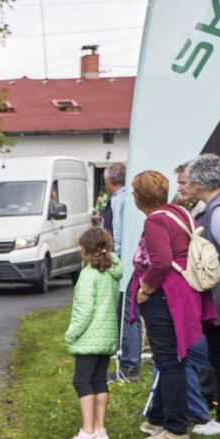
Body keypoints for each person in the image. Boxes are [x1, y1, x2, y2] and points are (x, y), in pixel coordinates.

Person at [128, 170, 216, 439]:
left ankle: (176, 429)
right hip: (184, 292)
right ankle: (157, 417)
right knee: (173, 359)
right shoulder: (178, 212)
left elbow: (161, 261)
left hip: (165, 295)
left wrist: (146, 290)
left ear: (140, 197)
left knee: (169, 361)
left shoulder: (155, 221)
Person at [179, 154, 220, 435]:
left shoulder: (218, 212)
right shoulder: (218, 205)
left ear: (199, 182)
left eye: (188, 180)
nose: (186, 185)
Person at [62, 227, 123, 439]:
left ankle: (87, 430)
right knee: (99, 380)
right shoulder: (112, 272)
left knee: (81, 380)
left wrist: (71, 334)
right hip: (106, 336)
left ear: (86, 250)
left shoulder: (89, 275)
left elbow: (83, 311)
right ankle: (100, 428)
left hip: (89, 337)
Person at [99, 163, 142, 382]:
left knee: (128, 315)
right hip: (134, 263)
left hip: (125, 266)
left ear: (109, 181)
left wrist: (110, 260)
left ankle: (130, 366)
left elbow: (117, 234)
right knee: (130, 313)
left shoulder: (119, 200)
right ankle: (130, 362)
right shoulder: (128, 199)